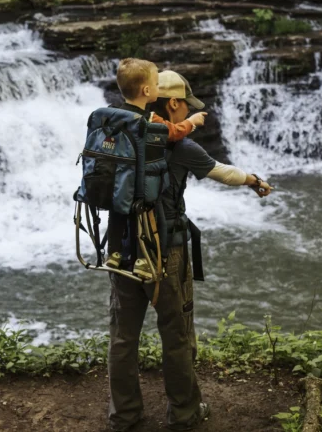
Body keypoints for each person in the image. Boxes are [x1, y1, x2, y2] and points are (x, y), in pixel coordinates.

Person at [107, 69, 272, 431]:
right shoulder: (180, 145)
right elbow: (224, 173)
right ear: (175, 104)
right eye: (186, 107)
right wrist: (255, 181)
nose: (188, 113)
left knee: (122, 339)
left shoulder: (118, 135)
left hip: (122, 250)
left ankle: (124, 416)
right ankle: (183, 414)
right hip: (167, 252)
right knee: (177, 335)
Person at [105, 58, 207, 279]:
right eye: (157, 86)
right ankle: (145, 258)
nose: (159, 90)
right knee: (152, 216)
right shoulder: (150, 120)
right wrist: (192, 122)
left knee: (118, 216)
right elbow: (173, 132)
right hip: (140, 185)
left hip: (116, 182)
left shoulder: (113, 114)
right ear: (147, 90)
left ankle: (112, 253)